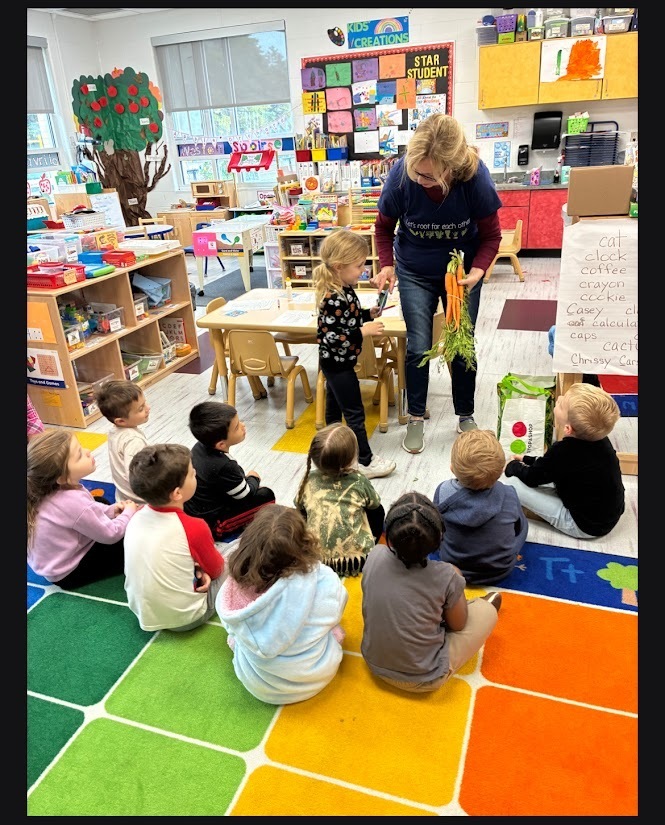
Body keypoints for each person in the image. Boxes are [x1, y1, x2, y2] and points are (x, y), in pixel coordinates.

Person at [372, 113, 502, 455]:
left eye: (428, 175)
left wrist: (479, 270)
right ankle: (416, 416)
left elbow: (491, 236)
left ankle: (465, 414)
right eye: (415, 170)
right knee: (417, 346)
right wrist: (387, 264)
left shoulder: (475, 177)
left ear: (452, 167)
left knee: (462, 343)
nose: (418, 178)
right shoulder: (402, 174)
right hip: (414, 270)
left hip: (460, 273)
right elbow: (383, 228)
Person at [360, 491, 501, 693]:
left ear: (389, 538)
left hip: (374, 663)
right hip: (423, 679)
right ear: (438, 539)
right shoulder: (448, 575)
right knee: (486, 613)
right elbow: (458, 625)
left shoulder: (375, 555)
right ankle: (483, 607)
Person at [216, 504, 348, 705]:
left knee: (239, 637)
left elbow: (231, 628)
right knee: (331, 627)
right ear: (305, 543)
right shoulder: (324, 579)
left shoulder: (235, 588)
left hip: (258, 684)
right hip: (316, 675)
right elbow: (335, 612)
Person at [315, 228, 396, 479]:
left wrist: (366, 314)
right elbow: (331, 335)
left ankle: (331, 453)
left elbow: (347, 318)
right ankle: (365, 461)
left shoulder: (345, 288)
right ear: (339, 266)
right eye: (359, 265)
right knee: (354, 412)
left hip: (338, 362)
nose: (363, 270)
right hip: (337, 364)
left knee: (334, 410)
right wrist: (364, 330)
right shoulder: (333, 296)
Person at [124, 443, 225, 632]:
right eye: (192, 473)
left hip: (143, 613)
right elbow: (217, 570)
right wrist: (204, 570)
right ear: (177, 493)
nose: (196, 473)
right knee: (234, 552)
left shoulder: (135, 517)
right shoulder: (194, 527)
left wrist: (197, 568)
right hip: (187, 619)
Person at [504, 382, 625, 539]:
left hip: (584, 526)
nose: (559, 397)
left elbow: (532, 478)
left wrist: (513, 466)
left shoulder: (564, 450)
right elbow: (553, 465)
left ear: (568, 429)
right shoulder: (601, 441)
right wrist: (528, 459)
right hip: (605, 513)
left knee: (510, 484)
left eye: (561, 404)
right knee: (551, 476)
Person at [27, 429, 139, 589]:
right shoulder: (70, 501)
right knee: (132, 540)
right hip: (71, 572)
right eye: (79, 455)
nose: (87, 452)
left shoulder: (46, 489)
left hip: (56, 565)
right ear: (61, 478)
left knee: (99, 501)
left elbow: (88, 509)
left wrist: (113, 510)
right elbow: (111, 534)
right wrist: (128, 513)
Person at [431, 429, 528, 585]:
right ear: (500, 471)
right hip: (500, 569)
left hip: (453, 565)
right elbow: (519, 527)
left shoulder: (443, 491)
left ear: (452, 469)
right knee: (523, 525)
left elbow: (436, 526)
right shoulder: (509, 493)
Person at [294, 423, 385, 577]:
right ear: (351, 459)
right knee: (377, 510)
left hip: (317, 560)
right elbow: (375, 506)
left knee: (301, 512)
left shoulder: (309, 479)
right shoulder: (358, 480)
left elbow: (299, 506)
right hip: (357, 561)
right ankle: (372, 542)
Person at [184, 401, 275, 539]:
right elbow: (245, 495)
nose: (243, 426)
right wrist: (254, 478)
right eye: (237, 427)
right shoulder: (224, 465)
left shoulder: (199, 447)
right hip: (214, 522)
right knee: (266, 495)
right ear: (221, 444)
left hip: (197, 510)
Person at [96, 379, 151, 503]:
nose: (148, 408)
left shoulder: (114, 431)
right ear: (121, 421)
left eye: (145, 403)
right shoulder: (133, 440)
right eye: (141, 409)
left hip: (122, 496)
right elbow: (137, 476)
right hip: (139, 502)